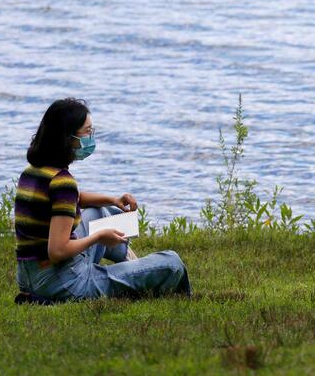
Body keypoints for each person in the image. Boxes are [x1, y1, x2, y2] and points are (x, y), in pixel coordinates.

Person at [15, 98, 191, 301]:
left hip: (30, 277)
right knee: (172, 263)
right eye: (87, 131)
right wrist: (98, 237)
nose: (91, 137)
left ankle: (131, 265)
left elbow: (75, 199)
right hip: (65, 281)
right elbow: (57, 251)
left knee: (100, 213)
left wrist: (112, 199)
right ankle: (140, 275)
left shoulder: (32, 173)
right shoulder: (62, 182)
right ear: (68, 138)